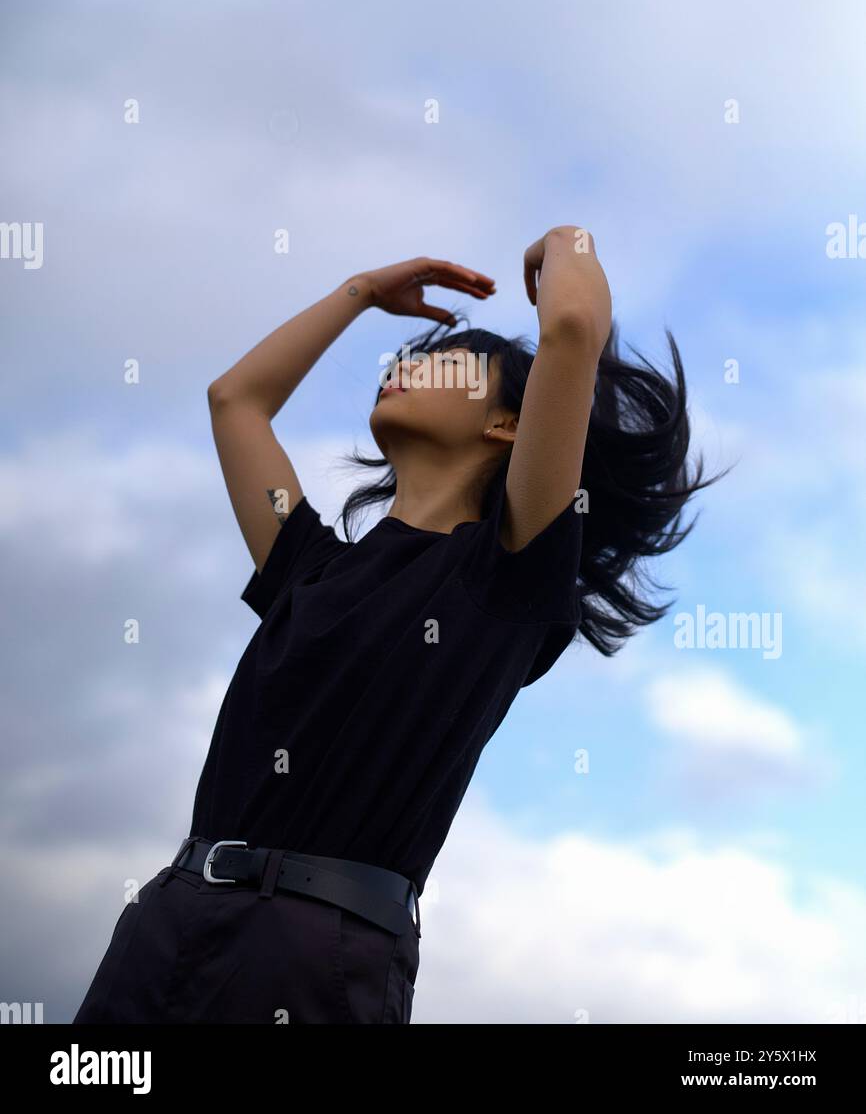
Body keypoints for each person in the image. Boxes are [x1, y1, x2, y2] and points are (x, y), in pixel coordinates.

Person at [73, 226, 714, 1024]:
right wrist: (362, 291)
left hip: (314, 951)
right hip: (165, 923)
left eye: (449, 362)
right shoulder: (307, 565)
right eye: (407, 356)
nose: (408, 366)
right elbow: (235, 401)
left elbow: (572, 327)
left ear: (508, 426)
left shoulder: (510, 571)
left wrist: (565, 242)